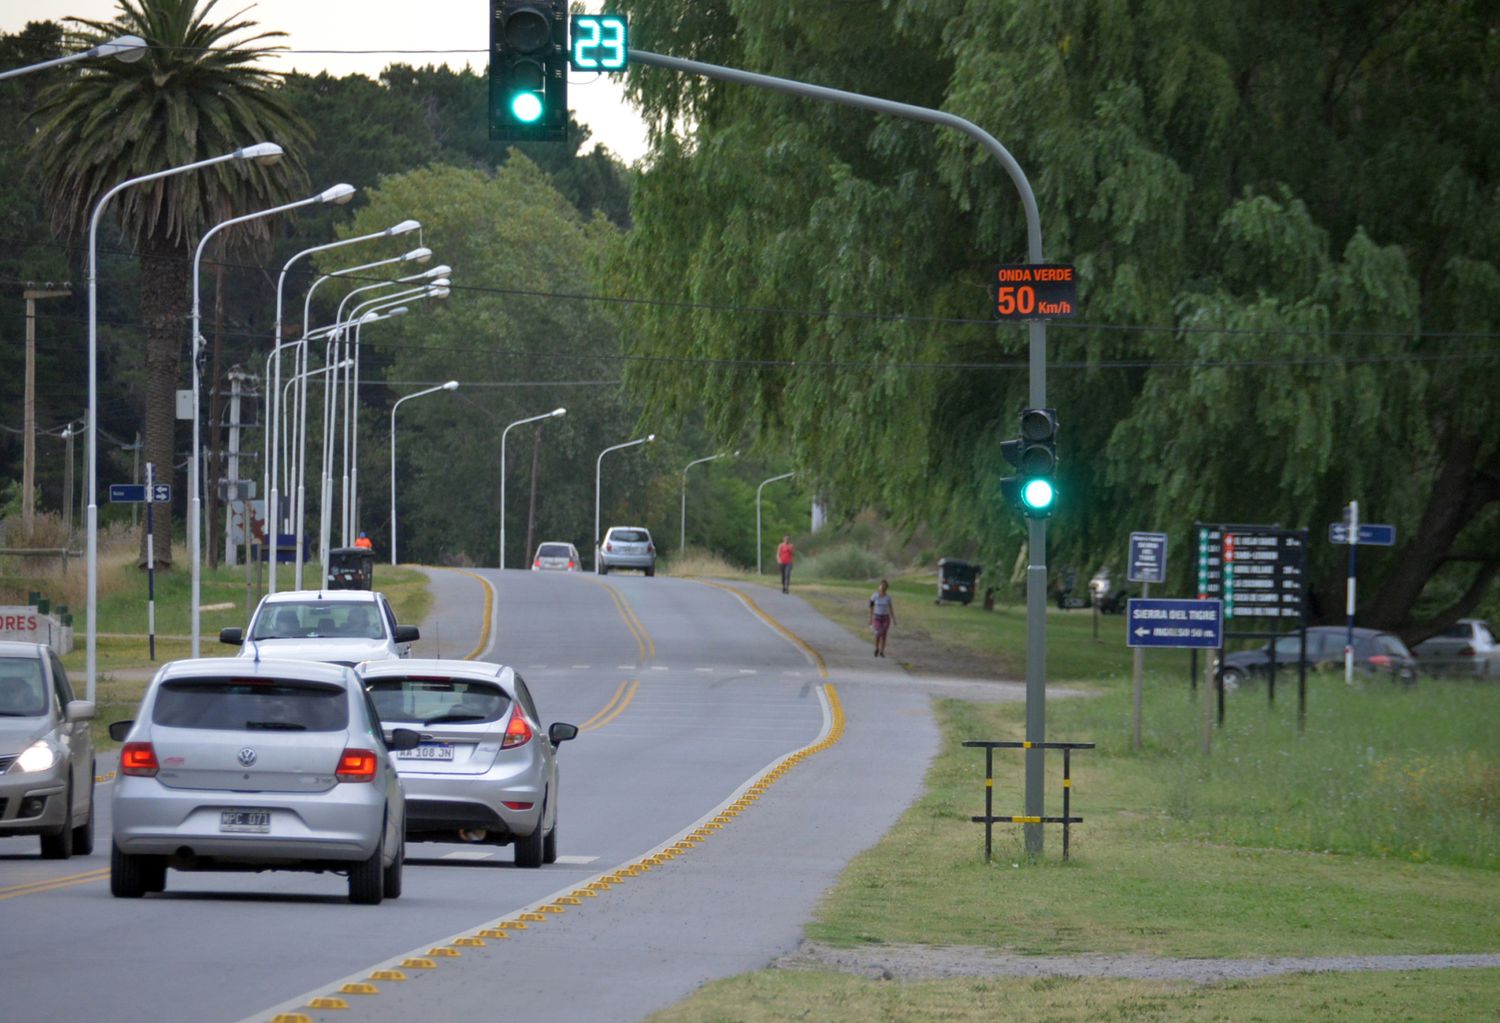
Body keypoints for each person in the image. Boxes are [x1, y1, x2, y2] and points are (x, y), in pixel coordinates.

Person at [869, 579, 895, 657]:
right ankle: (876, 648)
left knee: (884, 634)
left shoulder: (888, 597)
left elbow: (891, 608)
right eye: (881, 586)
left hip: (885, 618)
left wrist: (894, 619)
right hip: (877, 617)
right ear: (879, 586)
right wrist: (870, 618)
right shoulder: (874, 596)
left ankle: (882, 651)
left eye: (884, 586)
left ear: (886, 588)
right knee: (878, 633)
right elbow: (871, 606)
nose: (882, 587)